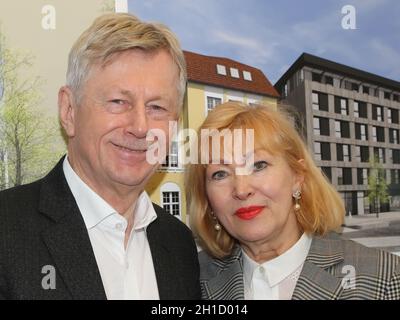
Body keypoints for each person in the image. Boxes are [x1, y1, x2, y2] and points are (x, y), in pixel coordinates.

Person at [0, 13, 200, 300]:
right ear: (69, 111)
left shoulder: (179, 245)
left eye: (157, 107)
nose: (140, 127)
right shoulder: (6, 229)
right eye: (118, 102)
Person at [186, 101, 400, 300]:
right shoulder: (189, 280)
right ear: (207, 199)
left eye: (258, 165)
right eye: (220, 174)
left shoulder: (385, 278)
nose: (241, 190)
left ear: (297, 177)